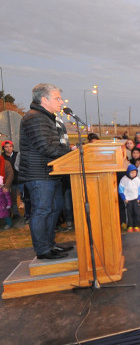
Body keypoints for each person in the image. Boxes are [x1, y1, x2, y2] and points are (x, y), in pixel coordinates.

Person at [19, 83, 71, 259]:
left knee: (55, 208)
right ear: (44, 99)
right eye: (57, 98)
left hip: (50, 172)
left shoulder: (46, 117)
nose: (61, 101)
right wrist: (72, 153)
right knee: (42, 211)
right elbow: (45, 147)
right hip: (38, 174)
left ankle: (50, 245)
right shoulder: (35, 118)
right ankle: (43, 250)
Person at [118, 165, 140, 232]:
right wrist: (124, 199)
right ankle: (130, 226)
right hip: (128, 200)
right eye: (132, 172)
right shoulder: (124, 179)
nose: (133, 174)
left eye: (135, 172)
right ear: (128, 172)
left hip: (136, 199)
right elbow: (121, 190)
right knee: (128, 213)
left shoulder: (138, 180)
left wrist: (139, 198)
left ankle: (136, 225)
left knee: (136, 212)